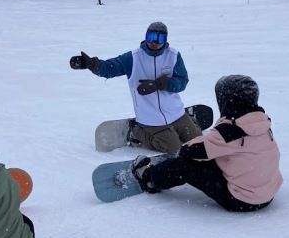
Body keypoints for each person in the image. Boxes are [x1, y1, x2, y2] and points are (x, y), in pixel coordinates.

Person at [131, 75, 283, 212]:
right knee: (215, 156)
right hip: (267, 194)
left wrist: (187, 150)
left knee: (186, 165)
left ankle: (149, 179)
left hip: (240, 200)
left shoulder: (229, 131)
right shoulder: (261, 123)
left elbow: (189, 151)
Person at [69, 21, 201, 153]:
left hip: (176, 113)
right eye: (151, 37)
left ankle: (186, 126)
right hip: (151, 118)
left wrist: (162, 83)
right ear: (145, 37)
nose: (154, 42)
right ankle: (136, 132)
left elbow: (182, 81)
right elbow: (110, 68)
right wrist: (92, 65)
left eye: (159, 38)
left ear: (165, 40)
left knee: (199, 143)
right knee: (175, 148)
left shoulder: (173, 56)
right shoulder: (133, 58)